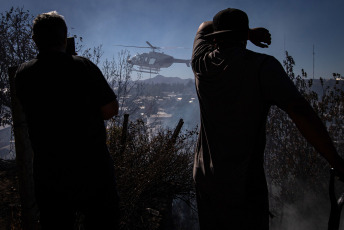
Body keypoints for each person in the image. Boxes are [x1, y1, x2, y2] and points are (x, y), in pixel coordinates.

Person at [191, 8, 344, 230]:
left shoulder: (201, 65)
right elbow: (300, 112)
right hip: (244, 186)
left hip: (205, 180)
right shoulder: (262, 66)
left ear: (216, 39)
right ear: (242, 37)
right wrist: (336, 162)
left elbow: (203, 26)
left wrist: (248, 33)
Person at [14, 11, 120, 229]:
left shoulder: (23, 74)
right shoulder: (83, 66)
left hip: (49, 173)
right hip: (92, 169)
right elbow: (110, 109)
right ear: (65, 38)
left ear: (35, 40)